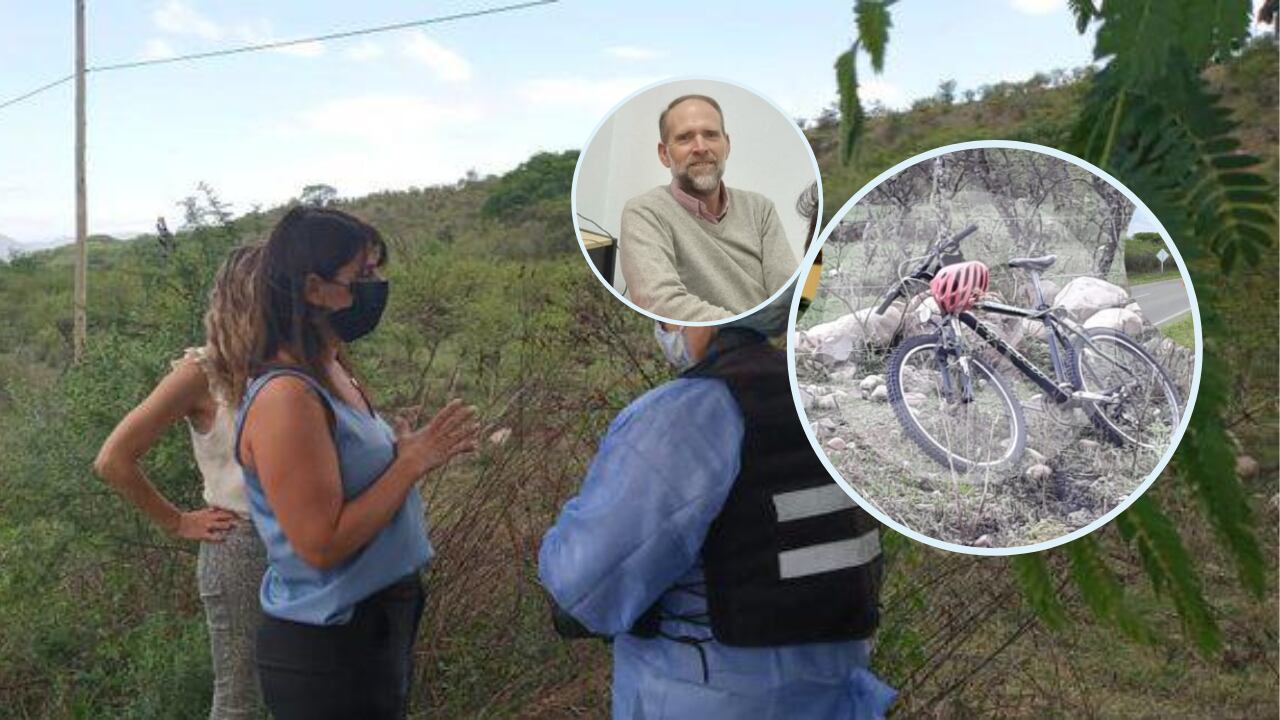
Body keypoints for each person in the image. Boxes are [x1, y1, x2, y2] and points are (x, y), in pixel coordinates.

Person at [538, 290, 895, 719]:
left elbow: (587, 584)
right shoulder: (822, 403)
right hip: (834, 699)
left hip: (713, 698)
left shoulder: (690, 414)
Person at [233, 206, 479, 719]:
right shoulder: (286, 396)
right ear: (313, 288)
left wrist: (397, 450)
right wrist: (411, 464)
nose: (376, 286)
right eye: (361, 276)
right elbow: (321, 544)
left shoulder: (328, 366)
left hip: (374, 625)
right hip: (330, 646)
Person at [95, 244, 268, 720]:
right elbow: (114, 460)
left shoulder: (290, 364)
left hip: (302, 540)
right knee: (239, 700)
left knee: (294, 687)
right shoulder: (203, 371)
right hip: (241, 545)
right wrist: (176, 521)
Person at [619, 94, 800, 322]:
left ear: (727, 145)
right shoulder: (645, 213)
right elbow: (659, 301)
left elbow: (789, 293)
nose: (701, 147)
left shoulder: (759, 209)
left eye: (711, 135)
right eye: (685, 138)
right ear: (664, 154)